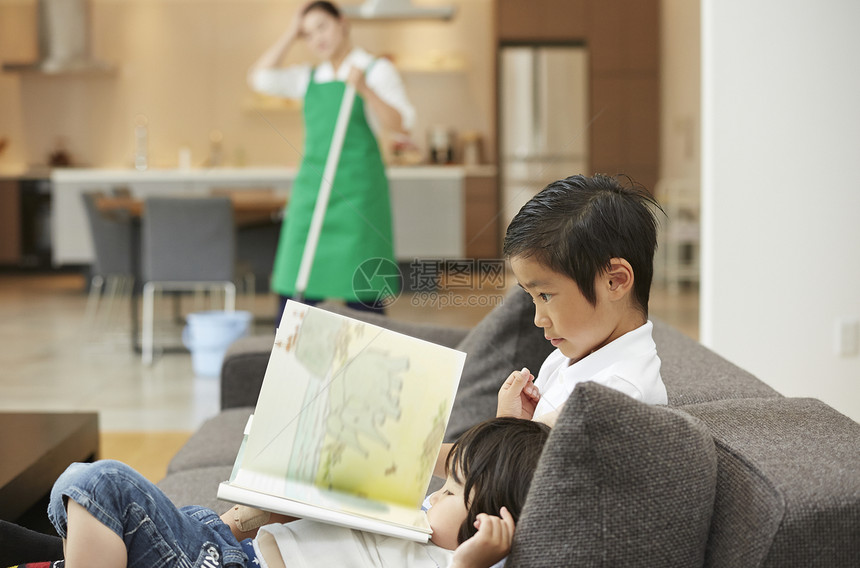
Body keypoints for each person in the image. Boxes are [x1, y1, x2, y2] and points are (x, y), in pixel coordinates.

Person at [32, 417, 548, 568]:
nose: (434, 497)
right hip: (227, 542)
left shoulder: (456, 562)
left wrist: (472, 562)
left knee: (100, 482)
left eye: (451, 492)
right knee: (100, 494)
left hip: (230, 563)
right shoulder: (422, 523)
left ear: (484, 523)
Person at [435, 174, 667, 476]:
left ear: (615, 280)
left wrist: (508, 429)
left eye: (545, 294)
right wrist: (517, 428)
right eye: (532, 297)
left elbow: (505, 475)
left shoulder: (615, 394)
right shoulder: (569, 356)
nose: (537, 318)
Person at [248, 1, 415, 318]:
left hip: (358, 197)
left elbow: (401, 125)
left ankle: (370, 359)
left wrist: (365, 89)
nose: (317, 39)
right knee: (293, 284)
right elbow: (259, 78)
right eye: (307, 34)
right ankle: (289, 359)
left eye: (321, 27)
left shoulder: (375, 69)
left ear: (342, 22)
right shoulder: (309, 77)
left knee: (362, 289)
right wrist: (289, 32)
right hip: (311, 193)